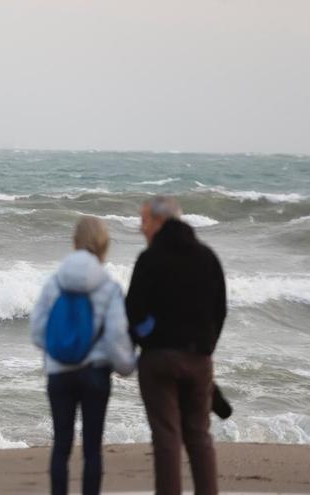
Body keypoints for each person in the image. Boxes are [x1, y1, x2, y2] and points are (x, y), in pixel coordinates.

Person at [126, 196, 227, 495]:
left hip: (158, 360)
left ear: (160, 221)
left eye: (144, 221)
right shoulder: (207, 257)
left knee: (166, 438)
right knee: (199, 436)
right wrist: (206, 346)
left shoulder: (150, 259)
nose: (141, 229)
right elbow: (219, 310)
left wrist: (146, 339)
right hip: (198, 359)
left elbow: (133, 311)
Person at [31, 216, 136, 495]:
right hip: (95, 374)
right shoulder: (109, 287)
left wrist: (58, 351)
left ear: (75, 242)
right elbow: (115, 337)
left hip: (59, 373)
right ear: (104, 247)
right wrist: (126, 366)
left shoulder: (55, 282)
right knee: (92, 449)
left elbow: (37, 330)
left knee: (61, 445)